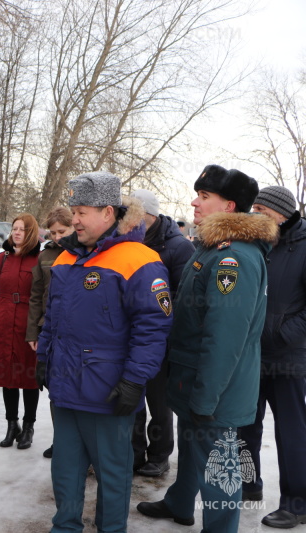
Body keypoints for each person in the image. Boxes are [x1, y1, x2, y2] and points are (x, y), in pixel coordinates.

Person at [138, 165, 276, 533]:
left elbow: (225, 338)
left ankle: (220, 527)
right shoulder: (212, 249)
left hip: (215, 388)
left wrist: (206, 396)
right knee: (192, 447)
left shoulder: (234, 258)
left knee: (219, 468)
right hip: (193, 379)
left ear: (229, 206)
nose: (194, 203)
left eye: (204, 196)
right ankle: (180, 503)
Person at [35, 172, 172, 532]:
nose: (74, 220)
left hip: (108, 391)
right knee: (65, 466)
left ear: (108, 212)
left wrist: (134, 380)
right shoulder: (66, 260)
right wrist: (43, 357)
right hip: (64, 387)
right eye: (73, 211)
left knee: (112, 470)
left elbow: (153, 327)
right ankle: (65, 526)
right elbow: (53, 318)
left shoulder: (140, 260)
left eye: (81, 212)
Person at [240, 186, 306, 529]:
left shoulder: (303, 245)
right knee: (245, 424)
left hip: (289, 357)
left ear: (281, 213)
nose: (255, 215)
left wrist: (280, 334)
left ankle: (297, 504)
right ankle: (248, 485)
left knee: (291, 432)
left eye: (261, 210)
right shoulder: (258, 243)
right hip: (253, 354)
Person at [129, 189, 195, 477]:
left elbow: (185, 295)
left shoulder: (178, 247)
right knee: (131, 398)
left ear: (150, 215)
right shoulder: (129, 240)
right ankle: (133, 452)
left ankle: (159, 455)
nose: (130, 221)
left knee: (159, 401)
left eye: (135, 216)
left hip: (160, 338)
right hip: (129, 335)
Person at [0, 213, 42, 449]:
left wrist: (38, 325)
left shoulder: (39, 259)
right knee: (8, 377)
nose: (17, 233)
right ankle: (12, 424)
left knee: (29, 378)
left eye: (23, 229)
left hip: (28, 325)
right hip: (5, 323)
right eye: (15, 228)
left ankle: (28, 426)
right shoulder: (1, 259)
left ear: (31, 234)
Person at [26, 206, 74, 458]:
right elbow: (35, 296)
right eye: (53, 232)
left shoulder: (83, 252)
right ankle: (61, 441)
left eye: (62, 231)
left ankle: (78, 444)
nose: (57, 237)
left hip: (75, 330)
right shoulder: (45, 257)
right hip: (48, 329)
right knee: (54, 388)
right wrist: (32, 332)